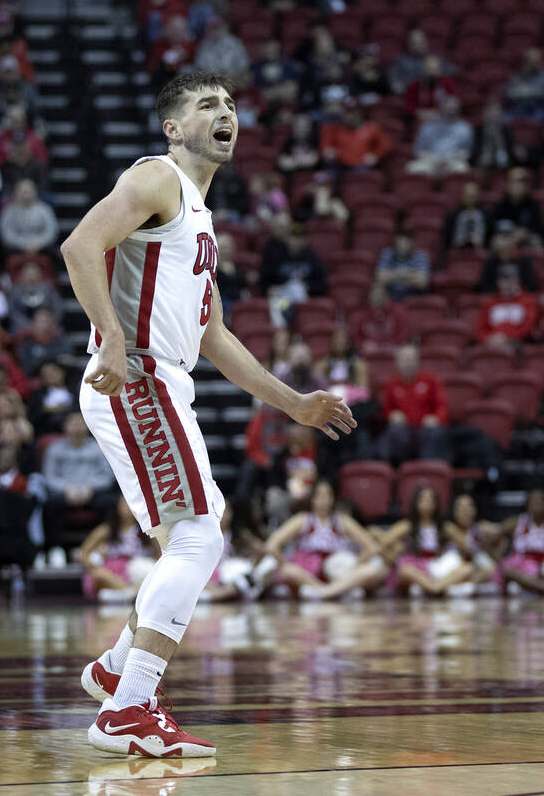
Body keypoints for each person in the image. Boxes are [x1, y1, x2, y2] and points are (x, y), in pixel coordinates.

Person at [62, 72, 355, 758]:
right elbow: (80, 246)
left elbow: (215, 338)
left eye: (228, 105)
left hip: (165, 380)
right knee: (200, 538)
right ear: (174, 127)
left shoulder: (199, 216)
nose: (224, 113)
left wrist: (297, 406)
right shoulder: (158, 177)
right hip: (136, 377)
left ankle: (115, 669)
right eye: (206, 105)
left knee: (189, 541)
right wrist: (108, 333)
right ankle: (127, 708)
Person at [262, 480, 386, 601]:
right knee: (287, 571)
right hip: (308, 574)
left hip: (338, 572)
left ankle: (326, 592)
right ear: (312, 498)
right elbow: (271, 545)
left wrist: (355, 567)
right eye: (319, 496)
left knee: (374, 570)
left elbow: (372, 547)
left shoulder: (341, 520)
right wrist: (285, 562)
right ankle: (333, 590)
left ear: (333, 499)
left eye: (327, 496)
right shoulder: (303, 519)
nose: (323, 500)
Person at [41, 411, 119, 560]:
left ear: (87, 426)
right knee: (49, 504)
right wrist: (68, 490)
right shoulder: (54, 448)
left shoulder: (98, 447)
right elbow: (49, 477)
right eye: (73, 423)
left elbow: (108, 475)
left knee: (112, 503)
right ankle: (54, 549)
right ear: (65, 427)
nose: (77, 426)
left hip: (93, 492)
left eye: (80, 423)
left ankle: (103, 545)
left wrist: (89, 488)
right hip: (65, 493)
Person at [379, 487, 474, 597]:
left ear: (436, 504)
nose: (427, 503)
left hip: (436, 566)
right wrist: (394, 555)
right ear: (416, 503)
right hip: (416, 566)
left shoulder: (444, 526)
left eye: (430, 500)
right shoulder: (407, 525)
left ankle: (435, 587)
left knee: (467, 568)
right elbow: (383, 543)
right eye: (423, 499)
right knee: (404, 571)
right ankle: (438, 588)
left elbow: (467, 546)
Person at [377, 344, 451, 465]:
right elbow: (387, 409)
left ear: (418, 361)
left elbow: (442, 406)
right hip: (405, 431)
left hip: (425, 429)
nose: (408, 363)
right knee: (393, 433)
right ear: (397, 363)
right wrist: (392, 415)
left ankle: (428, 471)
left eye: (411, 359)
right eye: (405, 359)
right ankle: (402, 471)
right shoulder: (392, 384)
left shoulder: (430, 380)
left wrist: (436, 418)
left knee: (437, 433)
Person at [79, 497, 161, 603]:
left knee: (149, 573)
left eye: (131, 503)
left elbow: (159, 553)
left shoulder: (147, 529)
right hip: (112, 573)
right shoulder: (107, 530)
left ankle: (122, 595)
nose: (128, 507)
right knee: (98, 574)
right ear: (118, 507)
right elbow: (84, 552)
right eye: (125, 504)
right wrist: (93, 564)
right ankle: (132, 593)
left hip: (137, 571)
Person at [496, 489, 544, 595]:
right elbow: (488, 542)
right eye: (533, 501)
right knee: (508, 571)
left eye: (541, 501)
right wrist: (499, 560)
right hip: (523, 569)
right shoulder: (516, 523)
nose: (537, 504)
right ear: (527, 504)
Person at [443, 493, 503, 593]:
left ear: (474, 510)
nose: (464, 512)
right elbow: (467, 547)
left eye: (468, 508)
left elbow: (502, 535)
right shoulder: (449, 528)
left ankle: (465, 586)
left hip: (475, 569)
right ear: (454, 512)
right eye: (460, 508)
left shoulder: (481, 527)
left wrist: (491, 547)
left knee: (490, 569)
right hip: (454, 570)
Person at [475, 265, 542, 347]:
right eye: (503, 281)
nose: (506, 285)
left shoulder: (528, 301)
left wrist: (507, 338)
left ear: (517, 282)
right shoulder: (490, 303)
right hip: (494, 344)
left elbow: (528, 327)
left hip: (518, 345)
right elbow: (481, 329)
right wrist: (489, 338)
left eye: (510, 281)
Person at [318, 99, 392, 170]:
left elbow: (385, 145)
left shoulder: (371, 128)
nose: (350, 116)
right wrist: (327, 150)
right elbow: (326, 145)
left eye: (353, 112)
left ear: (360, 113)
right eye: (347, 113)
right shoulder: (334, 128)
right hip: (339, 164)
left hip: (361, 164)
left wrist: (375, 154)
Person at [407, 96, 472, 175]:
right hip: (430, 162)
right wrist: (434, 160)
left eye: (453, 109)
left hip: (452, 162)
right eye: (448, 109)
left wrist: (449, 160)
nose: (450, 112)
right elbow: (418, 150)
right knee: (411, 168)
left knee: (463, 169)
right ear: (441, 108)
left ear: (458, 110)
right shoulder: (428, 126)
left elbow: (467, 152)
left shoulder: (465, 128)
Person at [0, 178, 58, 256]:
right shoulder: (7, 211)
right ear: (15, 193)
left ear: (35, 192)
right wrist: (23, 245)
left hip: (41, 248)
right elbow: (6, 233)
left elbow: (51, 230)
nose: (25, 195)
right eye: (22, 192)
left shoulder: (45, 209)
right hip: (15, 249)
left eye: (28, 192)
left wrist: (38, 243)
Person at [489, 167, 544, 248]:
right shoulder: (501, 206)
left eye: (521, 182)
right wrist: (510, 234)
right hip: (506, 240)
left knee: (537, 241)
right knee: (495, 242)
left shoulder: (533, 206)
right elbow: (493, 227)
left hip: (527, 240)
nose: (518, 186)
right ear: (508, 184)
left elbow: (539, 228)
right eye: (515, 182)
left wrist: (526, 232)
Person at [349, 281, 412, 352]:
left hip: (394, 352)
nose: (378, 297)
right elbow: (355, 336)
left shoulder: (398, 312)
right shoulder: (360, 315)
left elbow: (405, 333)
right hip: (367, 354)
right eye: (375, 294)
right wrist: (363, 344)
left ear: (386, 296)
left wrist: (392, 344)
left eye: (381, 294)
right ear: (369, 296)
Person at [374, 227, 430, 302]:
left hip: (413, 294)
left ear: (412, 243)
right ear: (395, 241)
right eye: (400, 241)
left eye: (406, 242)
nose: (402, 245)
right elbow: (380, 278)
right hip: (390, 293)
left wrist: (392, 275)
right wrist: (408, 273)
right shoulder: (387, 253)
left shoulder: (421, 256)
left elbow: (422, 282)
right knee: (376, 290)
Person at [17, 306, 73, 376]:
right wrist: (54, 359)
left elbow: (68, 359)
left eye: (47, 321)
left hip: (58, 376)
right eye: (41, 321)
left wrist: (42, 358)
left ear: (52, 323)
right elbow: (27, 366)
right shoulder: (26, 340)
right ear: (34, 322)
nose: (44, 325)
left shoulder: (59, 338)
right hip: (35, 380)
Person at [8, 260, 63, 331]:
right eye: (28, 274)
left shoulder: (48, 290)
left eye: (34, 274)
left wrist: (49, 322)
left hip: (47, 325)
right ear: (22, 276)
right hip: (21, 326)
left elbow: (58, 308)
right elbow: (12, 312)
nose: (31, 277)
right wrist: (28, 325)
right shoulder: (16, 291)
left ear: (39, 275)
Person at [504, 48, 544, 119]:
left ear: (541, 63)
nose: (533, 65)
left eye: (536, 62)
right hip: (518, 110)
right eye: (531, 62)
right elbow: (508, 94)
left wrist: (536, 94)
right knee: (504, 118)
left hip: (538, 110)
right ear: (525, 63)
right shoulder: (516, 77)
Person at [444, 181, 488, 251]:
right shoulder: (453, 216)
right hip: (457, 251)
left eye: (472, 196)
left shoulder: (485, 215)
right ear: (462, 196)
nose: (470, 200)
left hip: (479, 251)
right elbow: (448, 238)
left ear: (477, 197)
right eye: (467, 196)